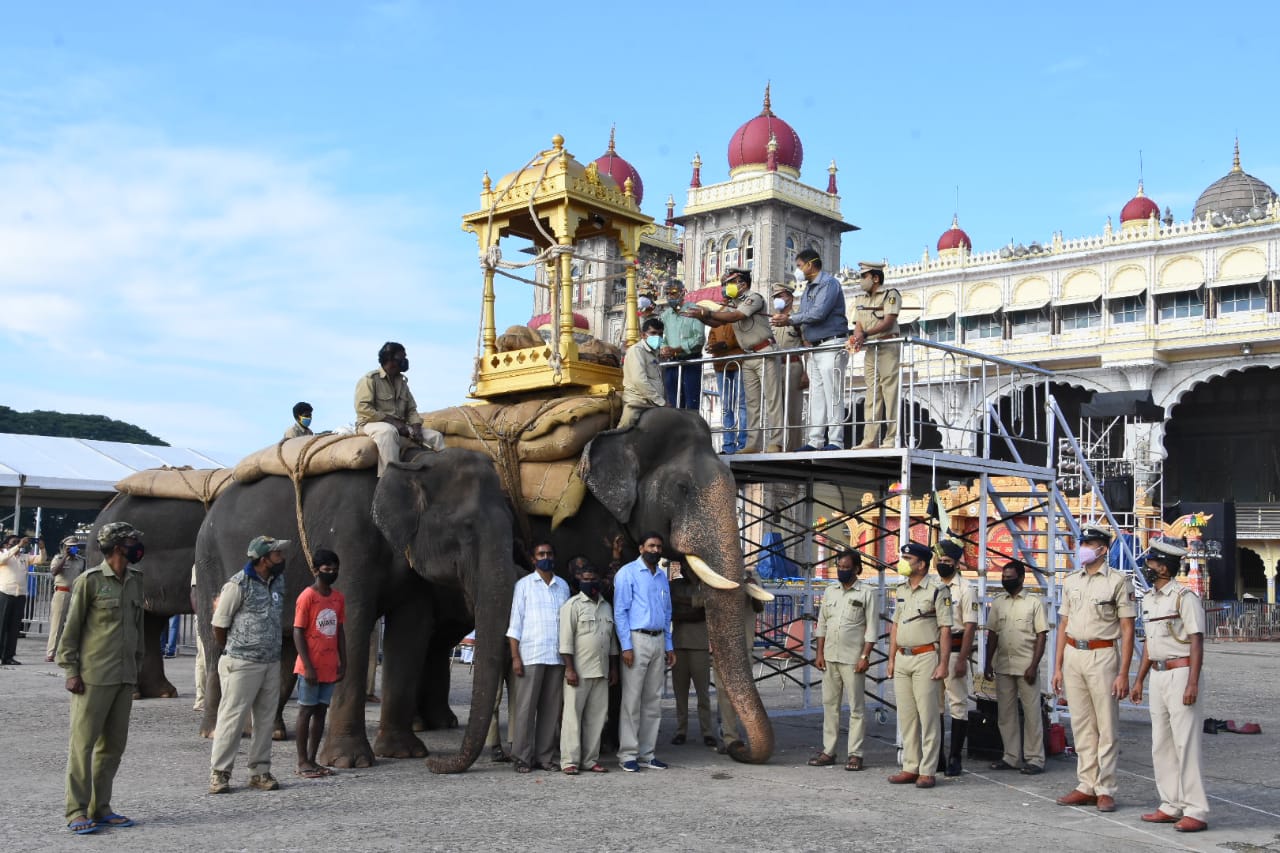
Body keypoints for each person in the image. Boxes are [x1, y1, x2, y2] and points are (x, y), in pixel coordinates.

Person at [56, 522, 145, 835]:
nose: (138, 546)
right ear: (119, 546)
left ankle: (101, 807)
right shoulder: (89, 581)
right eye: (133, 541)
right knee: (83, 746)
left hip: (123, 677)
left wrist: (138, 669)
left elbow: (138, 629)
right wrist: (70, 671)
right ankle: (76, 811)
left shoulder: (136, 580)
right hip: (93, 676)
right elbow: (72, 629)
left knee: (113, 746)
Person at [1050, 525, 1135, 813]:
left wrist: (1124, 672)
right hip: (1074, 652)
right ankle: (1086, 784)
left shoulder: (1117, 582)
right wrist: (1058, 666)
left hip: (1103, 654)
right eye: (1083, 542)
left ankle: (1106, 787)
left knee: (1106, 725)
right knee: (1082, 725)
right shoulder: (1071, 580)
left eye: (1090, 543)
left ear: (1103, 549)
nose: (1084, 547)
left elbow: (1127, 627)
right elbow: (1063, 624)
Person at [1130, 540, 1209, 833]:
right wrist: (1139, 679)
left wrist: (1192, 683)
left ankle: (1196, 809)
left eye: (1151, 563)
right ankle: (1170, 803)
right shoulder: (1150, 599)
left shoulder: (1184, 597)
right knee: (1161, 743)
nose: (1147, 567)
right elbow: (1151, 644)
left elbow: (1197, 640)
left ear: (1164, 566)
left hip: (1182, 672)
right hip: (1160, 675)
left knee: (1185, 743)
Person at [208, 536, 291, 795]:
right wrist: (235, 649)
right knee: (232, 719)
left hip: (270, 661)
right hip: (242, 662)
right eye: (277, 554)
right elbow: (219, 625)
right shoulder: (237, 585)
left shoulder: (278, 582)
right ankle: (220, 774)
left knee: (266, 720)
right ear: (263, 559)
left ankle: (260, 771)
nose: (282, 558)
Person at [684, 268, 783, 453]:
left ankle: (776, 442)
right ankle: (752, 443)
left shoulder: (754, 297)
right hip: (748, 355)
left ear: (743, 284)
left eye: (730, 282)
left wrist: (708, 313)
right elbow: (718, 322)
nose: (726, 286)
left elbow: (736, 316)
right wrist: (702, 316)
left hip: (764, 351)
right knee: (752, 403)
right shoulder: (733, 303)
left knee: (772, 399)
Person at [887, 542, 952, 788]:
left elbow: (945, 629)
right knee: (907, 716)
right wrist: (891, 658)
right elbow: (895, 626)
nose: (903, 562)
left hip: (926, 656)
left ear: (922, 564)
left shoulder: (937, 590)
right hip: (903, 656)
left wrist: (943, 663)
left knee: (928, 715)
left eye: (908, 558)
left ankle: (928, 770)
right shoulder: (901, 589)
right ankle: (910, 766)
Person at [771, 248, 849, 451]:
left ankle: (836, 441)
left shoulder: (829, 284)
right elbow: (806, 315)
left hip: (831, 344)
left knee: (833, 393)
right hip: (815, 347)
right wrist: (788, 320)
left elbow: (818, 313)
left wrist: (789, 319)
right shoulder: (808, 289)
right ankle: (815, 440)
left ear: (809, 264)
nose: (797, 270)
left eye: (798, 265)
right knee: (816, 395)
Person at [506, 541, 571, 773]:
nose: (546, 557)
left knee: (550, 711)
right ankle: (522, 757)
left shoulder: (562, 586)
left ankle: (545, 757)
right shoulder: (524, 585)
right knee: (525, 709)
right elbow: (515, 624)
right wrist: (515, 657)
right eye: (541, 554)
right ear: (533, 559)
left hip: (555, 656)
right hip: (531, 655)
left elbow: (567, 624)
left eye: (550, 553)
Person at [613, 532, 676, 772]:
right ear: (641, 548)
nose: (655, 550)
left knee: (653, 700)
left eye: (659, 547)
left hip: (658, 639)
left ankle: (647, 753)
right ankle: (628, 754)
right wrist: (626, 646)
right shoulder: (627, 573)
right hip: (637, 639)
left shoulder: (661, 577)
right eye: (651, 546)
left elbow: (667, 613)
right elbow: (620, 612)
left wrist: (669, 646)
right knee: (631, 700)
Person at [810, 550, 877, 771]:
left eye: (847, 567)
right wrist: (819, 653)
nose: (842, 570)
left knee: (856, 707)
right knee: (830, 706)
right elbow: (822, 625)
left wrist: (865, 656)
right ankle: (828, 751)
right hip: (830, 657)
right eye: (839, 566)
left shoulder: (867, 593)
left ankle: (855, 754)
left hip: (853, 658)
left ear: (857, 569)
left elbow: (872, 630)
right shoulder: (830, 592)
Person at [983, 559, 1049, 775]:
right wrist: (987, 663)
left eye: (1010, 578)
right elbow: (992, 634)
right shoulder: (998, 602)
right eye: (1004, 577)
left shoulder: (1034, 603)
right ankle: (1011, 757)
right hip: (1003, 665)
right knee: (1006, 714)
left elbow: (1041, 636)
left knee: (1032, 715)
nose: (1006, 581)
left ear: (1021, 578)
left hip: (1026, 666)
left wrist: (1033, 665)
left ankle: (1035, 759)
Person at [558, 565, 618, 774]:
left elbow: (611, 642)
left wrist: (613, 669)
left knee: (597, 718)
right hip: (579, 672)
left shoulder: (606, 606)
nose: (590, 582)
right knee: (572, 717)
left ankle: (590, 760)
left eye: (593, 578)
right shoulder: (571, 606)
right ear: (579, 581)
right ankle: (569, 761)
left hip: (601, 671)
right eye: (586, 578)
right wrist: (569, 669)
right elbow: (565, 642)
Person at [292, 548, 347, 779]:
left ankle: (313, 758)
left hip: (329, 664)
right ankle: (302, 760)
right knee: (306, 711)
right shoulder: (307, 596)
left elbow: (339, 630)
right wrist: (308, 665)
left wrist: (343, 660)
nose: (332, 573)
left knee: (321, 711)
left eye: (335, 569)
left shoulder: (338, 598)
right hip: (310, 666)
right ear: (316, 570)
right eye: (327, 569)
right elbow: (298, 631)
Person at [354, 341, 444, 476]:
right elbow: (363, 408)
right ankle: (389, 478)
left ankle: (443, 475)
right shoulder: (370, 380)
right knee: (388, 432)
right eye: (401, 358)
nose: (405, 361)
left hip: (400, 426)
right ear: (390, 359)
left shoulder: (402, 383)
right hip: (370, 424)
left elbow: (412, 410)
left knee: (435, 437)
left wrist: (416, 428)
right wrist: (392, 421)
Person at [848, 261, 902, 450]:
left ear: (876, 278)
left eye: (864, 276)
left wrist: (865, 335)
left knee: (890, 392)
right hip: (871, 349)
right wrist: (857, 338)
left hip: (887, 345)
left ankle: (890, 438)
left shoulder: (890, 294)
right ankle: (869, 439)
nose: (861, 280)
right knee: (871, 394)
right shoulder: (860, 299)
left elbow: (888, 321)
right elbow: (858, 325)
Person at [935, 539, 977, 776]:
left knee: (958, 704)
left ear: (956, 564)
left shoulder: (965, 588)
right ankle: (939, 755)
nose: (943, 564)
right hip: (934, 651)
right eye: (940, 561)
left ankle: (955, 757)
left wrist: (963, 659)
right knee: (936, 705)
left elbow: (970, 626)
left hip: (955, 649)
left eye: (947, 561)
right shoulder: (933, 585)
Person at [715, 571, 765, 753]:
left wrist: (750, 587)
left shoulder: (751, 576)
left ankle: (753, 735)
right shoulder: (715, 575)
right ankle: (730, 738)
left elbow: (760, 606)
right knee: (724, 693)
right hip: (722, 645)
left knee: (744, 693)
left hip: (744, 645)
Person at [668, 560, 716, 748]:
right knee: (680, 693)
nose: (687, 571)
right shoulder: (675, 585)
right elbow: (673, 610)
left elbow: (705, 609)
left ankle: (707, 731)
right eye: (684, 567)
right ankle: (681, 730)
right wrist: (693, 606)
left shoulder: (707, 585)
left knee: (703, 693)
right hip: (679, 645)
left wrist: (684, 606)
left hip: (700, 646)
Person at [656, 280, 706, 409]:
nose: (669, 297)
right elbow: (662, 338)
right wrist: (663, 349)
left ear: (682, 292)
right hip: (672, 364)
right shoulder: (665, 315)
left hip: (691, 361)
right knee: (673, 403)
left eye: (673, 293)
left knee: (691, 403)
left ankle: (691, 429)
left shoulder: (694, 310)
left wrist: (677, 349)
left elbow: (699, 340)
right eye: (667, 294)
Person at [703, 313, 747, 453]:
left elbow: (741, 339)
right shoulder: (714, 326)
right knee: (726, 406)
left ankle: (743, 444)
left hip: (739, 363)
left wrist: (725, 345)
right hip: (721, 366)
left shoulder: (737, 321)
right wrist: (713, 347)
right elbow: (711, 341)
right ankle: (728, 445)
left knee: (742, 403)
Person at [770, 281, 806, 451]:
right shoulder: (771, 320)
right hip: (775, 367)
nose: (777, 299)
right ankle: (776, 445)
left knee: (793, 411)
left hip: (793, 365)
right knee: (775, 410)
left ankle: (794, 448)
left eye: (780, 296)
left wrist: (806, 373)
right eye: (775, 297)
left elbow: (806, 346)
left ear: (790, 298)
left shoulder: (798, 319)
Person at [1, 534, 43, 665]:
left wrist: (42, 548)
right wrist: (17, 546)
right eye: (14, 542)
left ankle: (8, 656)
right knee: (1, 626)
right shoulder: (4, 554)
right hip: (5, 593)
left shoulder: (24, 557)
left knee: (14, 628)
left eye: (19, 542)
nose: (18, 544)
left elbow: (41, 560)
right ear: (6, 545)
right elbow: (2, 559)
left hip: (20, 595)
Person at [619, 317, 668, 429]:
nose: (657, 337)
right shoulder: (637, 351)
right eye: (653, 333)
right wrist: (661, 402)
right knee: (624, 431)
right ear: (643, 335)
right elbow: (639, 380)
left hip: (654, 403)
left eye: (660, 334)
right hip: (637, 402)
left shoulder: (655, 352)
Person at [46, 536, 87, 663]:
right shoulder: (58, 558)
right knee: (57, 624)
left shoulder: (81, 561)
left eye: (74, 546)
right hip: (61, 593)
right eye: (69, 546)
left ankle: (69, 652)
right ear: (64, 547)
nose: (72, 548)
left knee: (73, 624)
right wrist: (65, 557)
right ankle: (51, 653)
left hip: (75, 593)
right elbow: (54, 572)